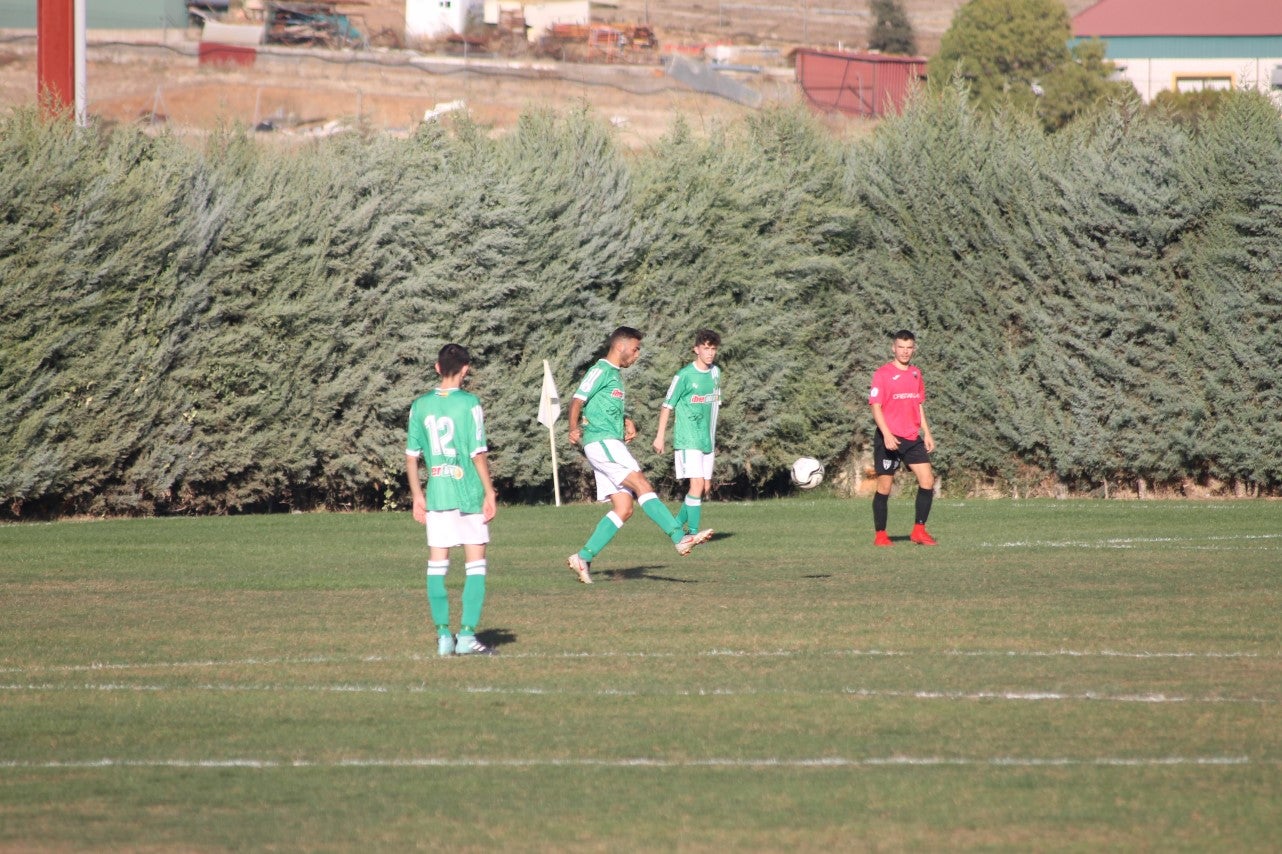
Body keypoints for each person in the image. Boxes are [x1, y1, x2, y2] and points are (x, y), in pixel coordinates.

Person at [566, 326, 713, 584]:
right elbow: (577, 400)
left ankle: (583, 557)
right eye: (635, 349)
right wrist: (573, 428)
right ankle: (679, 537)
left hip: (608, 440)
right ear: (620, 346)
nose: (636, 355)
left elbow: (603, 406)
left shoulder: (614, 375)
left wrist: (625, 420)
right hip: (601, 441)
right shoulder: (600, 370)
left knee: (624, 508)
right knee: (642, 483)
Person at [406, 343, 498, 655]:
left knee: (436, 566)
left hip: (437, 495)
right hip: (468, 495)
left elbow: (411, 457)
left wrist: (418, 495)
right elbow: (478, 453)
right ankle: (467, 636)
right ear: (465, 369)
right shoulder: (470, 404)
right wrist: (489, 492)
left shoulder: (420, 406)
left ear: (436, 368)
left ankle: (444, 636)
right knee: (476, 566)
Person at [868, 329, 937, 546]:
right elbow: (876, 407)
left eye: (909, 348)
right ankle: (880, 535)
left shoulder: (916, 373)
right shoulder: (882, 374)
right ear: (893, 348)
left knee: (927, 480)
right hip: (889, 438)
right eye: (901, 347)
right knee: (884, 487)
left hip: (911, 436)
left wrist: (927, 432)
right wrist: (887, 435)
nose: (905, 352)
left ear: (913, 349)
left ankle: (919, 530)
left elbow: (918, 404)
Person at [652, 329, 722, 536]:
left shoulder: (716, 373)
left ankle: (674, 526)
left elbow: (714, 407)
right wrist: (660, 436)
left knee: (704, 488)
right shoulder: (683, 376)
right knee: (697, 484)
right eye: (706, 348)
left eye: (713, 349)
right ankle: (691, 533)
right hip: (687, 438)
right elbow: (667, 406)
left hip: (706, 439)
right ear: (696, 349)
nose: (710, 353)